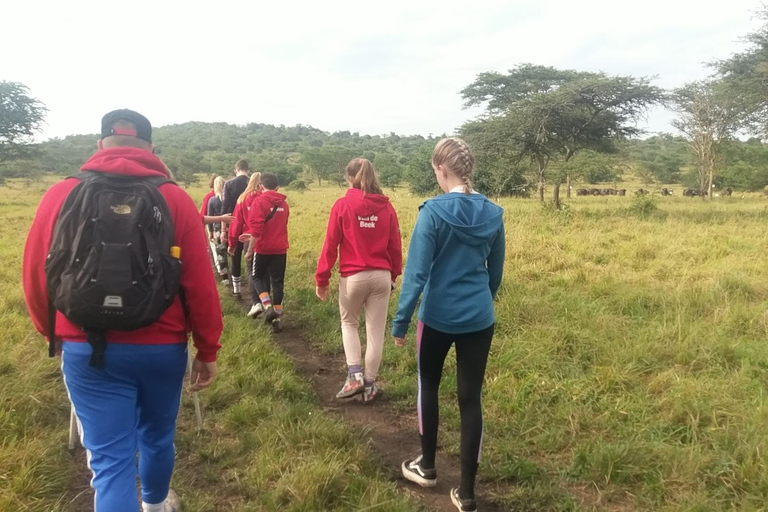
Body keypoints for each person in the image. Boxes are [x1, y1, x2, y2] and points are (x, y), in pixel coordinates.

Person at [22, 109, 223, 512]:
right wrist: (207, 349)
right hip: (161, 347)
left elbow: (34, 273)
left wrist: (52, 333)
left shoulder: (60, 194)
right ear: (150, 148)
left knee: (110, 464)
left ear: (100, 144)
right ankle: (155, 504)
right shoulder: (175, 197)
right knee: (157, 436)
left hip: (86, 345)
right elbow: (200, 284)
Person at [392, 138, 505, 512]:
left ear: (442, 169)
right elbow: (495, 272)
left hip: (437, 318)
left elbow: (416, 273)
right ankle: (467, 493)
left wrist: (401, 321)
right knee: (471, 399)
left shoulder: (432, 213)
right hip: (479, 320)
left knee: (429, 386)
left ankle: (426, 467)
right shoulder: (493, 212)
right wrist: (479, 303)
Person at [315, 158, 402, 403]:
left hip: (352, 277)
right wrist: (393, 275)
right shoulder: (387, 207)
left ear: (350, 178)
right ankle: (371, 385)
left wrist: (322, 278)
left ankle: (354, 376)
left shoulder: (342, 205)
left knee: (349, 324)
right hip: (382, 276)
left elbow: (330, 245)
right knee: (376, 332)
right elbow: (395, 245)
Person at [238, 173, 289, 333]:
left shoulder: (259, 202)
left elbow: (257, 228)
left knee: (257, 277)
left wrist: (250, 249)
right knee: (278, 282)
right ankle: (277, 318)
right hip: (280, 248)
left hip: (262, 248)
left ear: (261, 186)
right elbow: (279, 225)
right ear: (277, 187)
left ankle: (267, 307)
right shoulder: (284, 204)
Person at [226, 172, 263, 317]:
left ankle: (256, 302)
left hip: (249, 240)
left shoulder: (243, 199)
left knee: (252, 272)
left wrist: (232, 242)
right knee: (263, 273)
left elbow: (236, 223)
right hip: (265, 240)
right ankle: (266, 300)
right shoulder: (265, 199)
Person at [221, 160, 251, 297]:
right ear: (248, 170)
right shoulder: (253, 183)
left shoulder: (228, 184)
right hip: (251, 225)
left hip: (234, 224)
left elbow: (225, 208)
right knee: (252, 259)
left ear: (235, 170)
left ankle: (237, 290)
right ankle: (257, 293)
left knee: (235, 256)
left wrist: (223, 229)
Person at [207, 176, 229, 282]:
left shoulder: (212, 200)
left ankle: (225, 277)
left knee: (221, 253)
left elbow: (210, 216)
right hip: (230, 227)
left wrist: (210, 232)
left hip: (217, 228)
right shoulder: (229, 200)